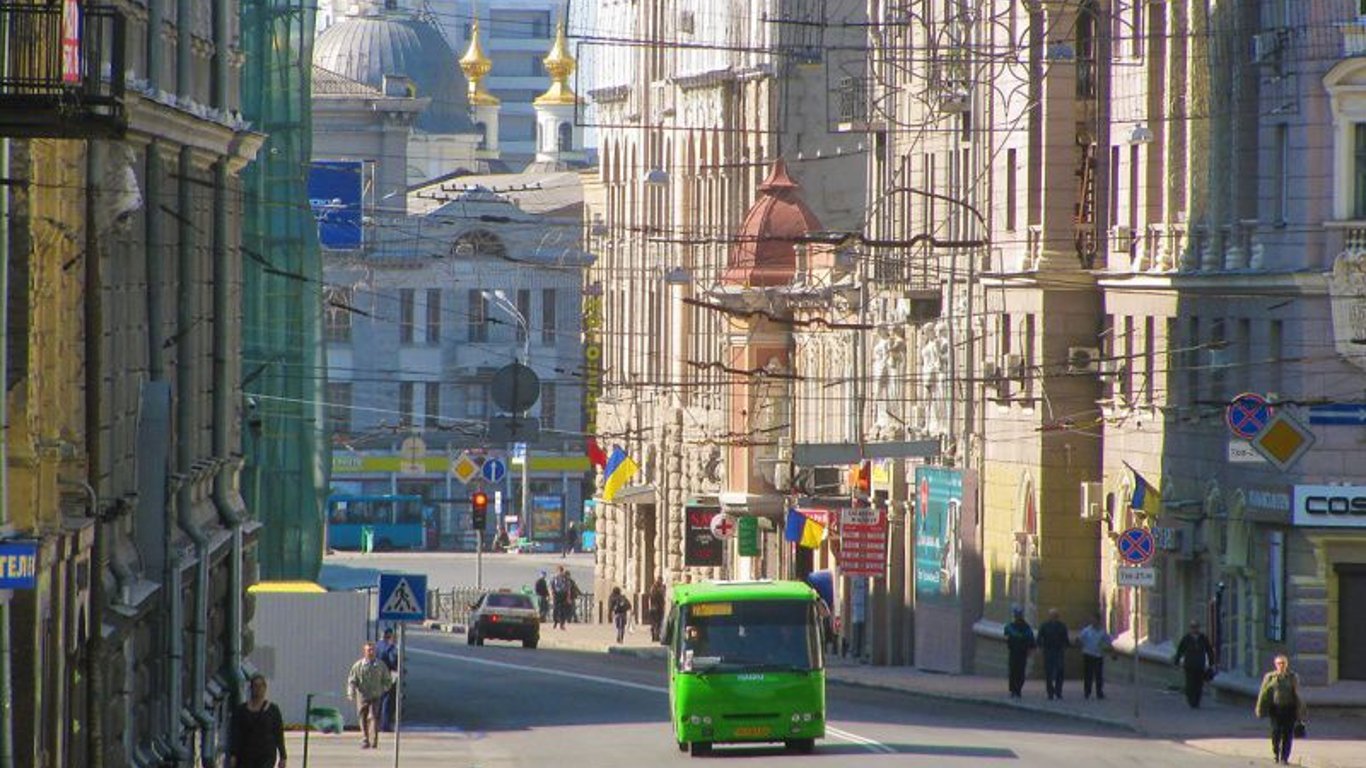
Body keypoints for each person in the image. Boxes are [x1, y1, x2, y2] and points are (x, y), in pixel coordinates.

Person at [1256, 654, 1308, 764]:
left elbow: (1298, 694)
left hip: (1289, 709)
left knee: (1288, 734)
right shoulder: (1270, 677)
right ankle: (1276, 753)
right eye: (1279, 663)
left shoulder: (1293, 677)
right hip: (1275, 710)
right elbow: (1263, 693)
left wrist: (1300, 711)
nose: (1281, 665)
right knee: (1276, 733)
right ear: (1275, 665)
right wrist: (1260, 709)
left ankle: (1284, 758)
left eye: (1283, 663)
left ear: (1286, 664)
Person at [228, 673, 286, 768]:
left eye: (261, 686)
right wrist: (233, 754)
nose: (258, 689)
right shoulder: (241, 711)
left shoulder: (273, 710)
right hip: (246, 756)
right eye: (255, 685)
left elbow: (279, 733)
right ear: (251, 688)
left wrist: (283, 756)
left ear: (265, 688)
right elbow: (236, 734)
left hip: (266, 755)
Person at [347, 641, 393, 749]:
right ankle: (365, 739)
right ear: (365, 652)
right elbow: (352, 680)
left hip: (376, 695)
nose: (371, 652)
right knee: (362, 716)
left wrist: (383, 689)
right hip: (362, 695)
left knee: (373, 716)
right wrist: (351, 692)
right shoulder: (358, 666)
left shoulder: (380, 665)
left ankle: (373, 740)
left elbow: (387, 680)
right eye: (369, 650)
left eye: (373, 650)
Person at [1174, 619, 1216, 708]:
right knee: (1190, 683)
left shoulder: (1203, 638)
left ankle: (1197, 701)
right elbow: (1180, 650)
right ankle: (1191, 700)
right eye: (1193, 627)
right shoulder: (1186, 639)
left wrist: (1211, 662)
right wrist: (1177, 661)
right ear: (1190, 629)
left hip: (1200, 665)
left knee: (1199, 684)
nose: (1194, 629)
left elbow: (1209, 650)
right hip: (1189, 665)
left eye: (1196, 627)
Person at [1076, 612, 1113, 700]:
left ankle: (1099, 692)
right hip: (1088, 654)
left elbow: (1108, 642)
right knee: (1088, 674)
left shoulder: (1102, 632)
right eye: (1091, 620)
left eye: (1094, 620)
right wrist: (1078, 643)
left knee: (1098, 675)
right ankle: (1087, 692)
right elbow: (1080, 639)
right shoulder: (1086, 630)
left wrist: (1112, 652)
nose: (1092, 621)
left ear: (1098, 621)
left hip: (1098, 655)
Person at [1003, 606, 1036, 699]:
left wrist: (1030, 649)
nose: (1017, 617)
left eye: (1018, 615)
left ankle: (1016, 690)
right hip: (1016, 652)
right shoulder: (1013, 627)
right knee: (1015, 671)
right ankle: (1015, 689)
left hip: (1020, 652)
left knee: (1018, 672)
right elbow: (1006, 634)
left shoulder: (1025, 628)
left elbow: (1031, 640)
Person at [1036, 608, 1070, 700]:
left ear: (1057, 616)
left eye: (1055, 615)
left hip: (1058, 650)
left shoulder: (1062, 626)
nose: (1053, 617)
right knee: (1048, 672)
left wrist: (1066, 647)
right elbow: (1039, 637)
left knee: (1060, 671)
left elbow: (1065, 639)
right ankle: (1050, 692)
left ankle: (1058, 691)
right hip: (1048, 650)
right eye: (1051, 615)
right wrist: (1039, 647)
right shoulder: (1045, 626)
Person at [374, 628, 399, 732]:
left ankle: (375, 724)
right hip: (386, 675)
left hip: (375, 675)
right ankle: (385, 725)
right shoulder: (390, 647)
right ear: (389, 635)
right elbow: (393, 660)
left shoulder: (376, 646)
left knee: (376, 701)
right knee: (386, 701)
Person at [647, 576, 667, 642]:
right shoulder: (656, 588)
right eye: (661, 580)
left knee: (655, 623)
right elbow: (655, 597)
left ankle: (655, 636)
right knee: (657, 623)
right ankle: (655, 636)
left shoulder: (654, 588)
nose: (661, 582)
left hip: (655, 608)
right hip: (656, 608)